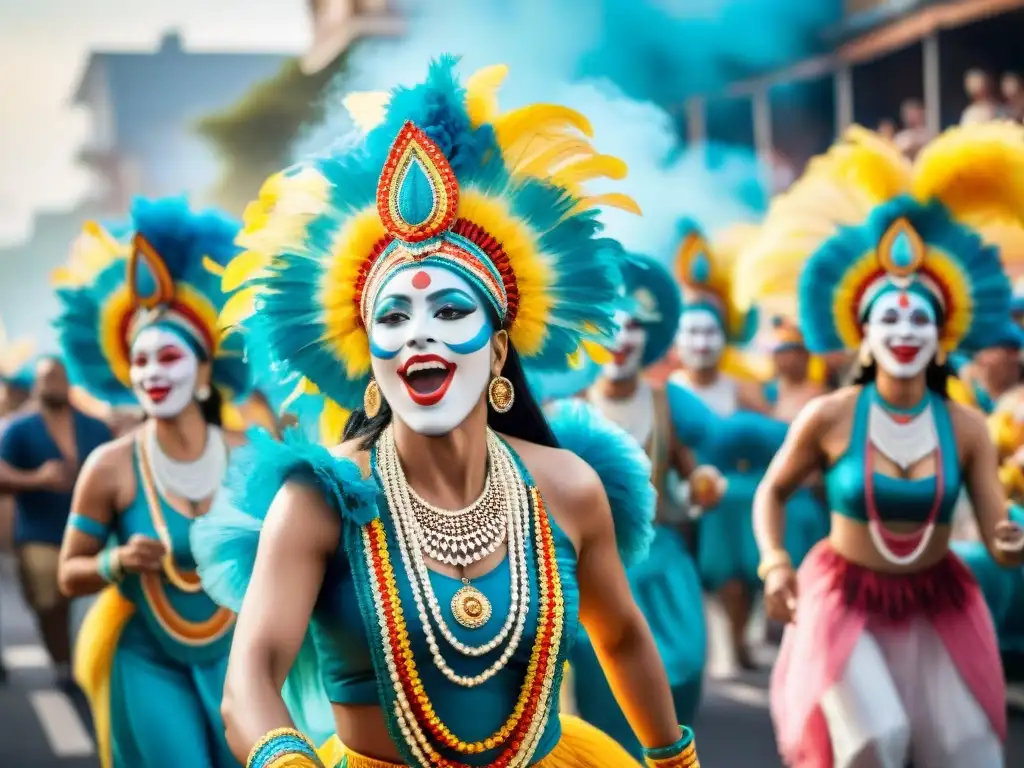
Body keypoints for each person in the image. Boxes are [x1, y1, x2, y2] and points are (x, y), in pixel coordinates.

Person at [193, 59, 702, 768]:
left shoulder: (569, 487)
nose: (418, 335)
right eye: (393, 317)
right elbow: (251, 677)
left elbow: (620, 635)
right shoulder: (320, 502)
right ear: (370, 358)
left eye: (451, 310)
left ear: (498, 351)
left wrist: (675, 759)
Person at [753, 122, 1024, 767]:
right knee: (875, 741)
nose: (905, 329)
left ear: (941, 334)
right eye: (890, 317)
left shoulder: (966, 426)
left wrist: (1012, 539)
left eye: (920, 317)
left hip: (938, 602)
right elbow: (774, 491)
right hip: (843, 602)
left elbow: (997, 533)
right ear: (864, 333)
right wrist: (776, 563)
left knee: (968, 749)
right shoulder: (829, 415)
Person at [53, 201, 252, 768]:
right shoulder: (110, 466)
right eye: (139, 362)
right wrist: (117, 561)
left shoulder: (248, 457)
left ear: (205, 370)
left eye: (167, 356)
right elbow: (69, 574)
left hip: (239, 655)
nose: (151, 373)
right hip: (147, 657)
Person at [569, 253, 721, 757]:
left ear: (648, 337)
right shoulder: (571, 409)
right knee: (600, 684)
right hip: (597, 566)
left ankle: (667, 752)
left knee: (687, 665)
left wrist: (702, 484)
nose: (622, 336)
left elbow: (691, 469)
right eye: (611, 325)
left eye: (633, 325)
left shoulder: (666, 402)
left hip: (663, 560)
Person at [669, 218, 780, 672]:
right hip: (676, 499)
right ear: (677, 339)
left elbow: (774, 439)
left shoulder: (742, 387)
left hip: (728, 508)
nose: (701, 343)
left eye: (709, 332)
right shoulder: (664, 389)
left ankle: (737, 637)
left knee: (733, 568)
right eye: (691, 332)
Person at [0, 356, 112, 685]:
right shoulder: (19, 429)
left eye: (59, 376)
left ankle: (85, 661)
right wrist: (37, 479)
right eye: (47, 378)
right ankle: (63, 662)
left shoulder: (95, 427)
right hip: (39, 534)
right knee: (48, 601)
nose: (54, 383)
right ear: (36, 385)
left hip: (92, 534)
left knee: (90, 604)